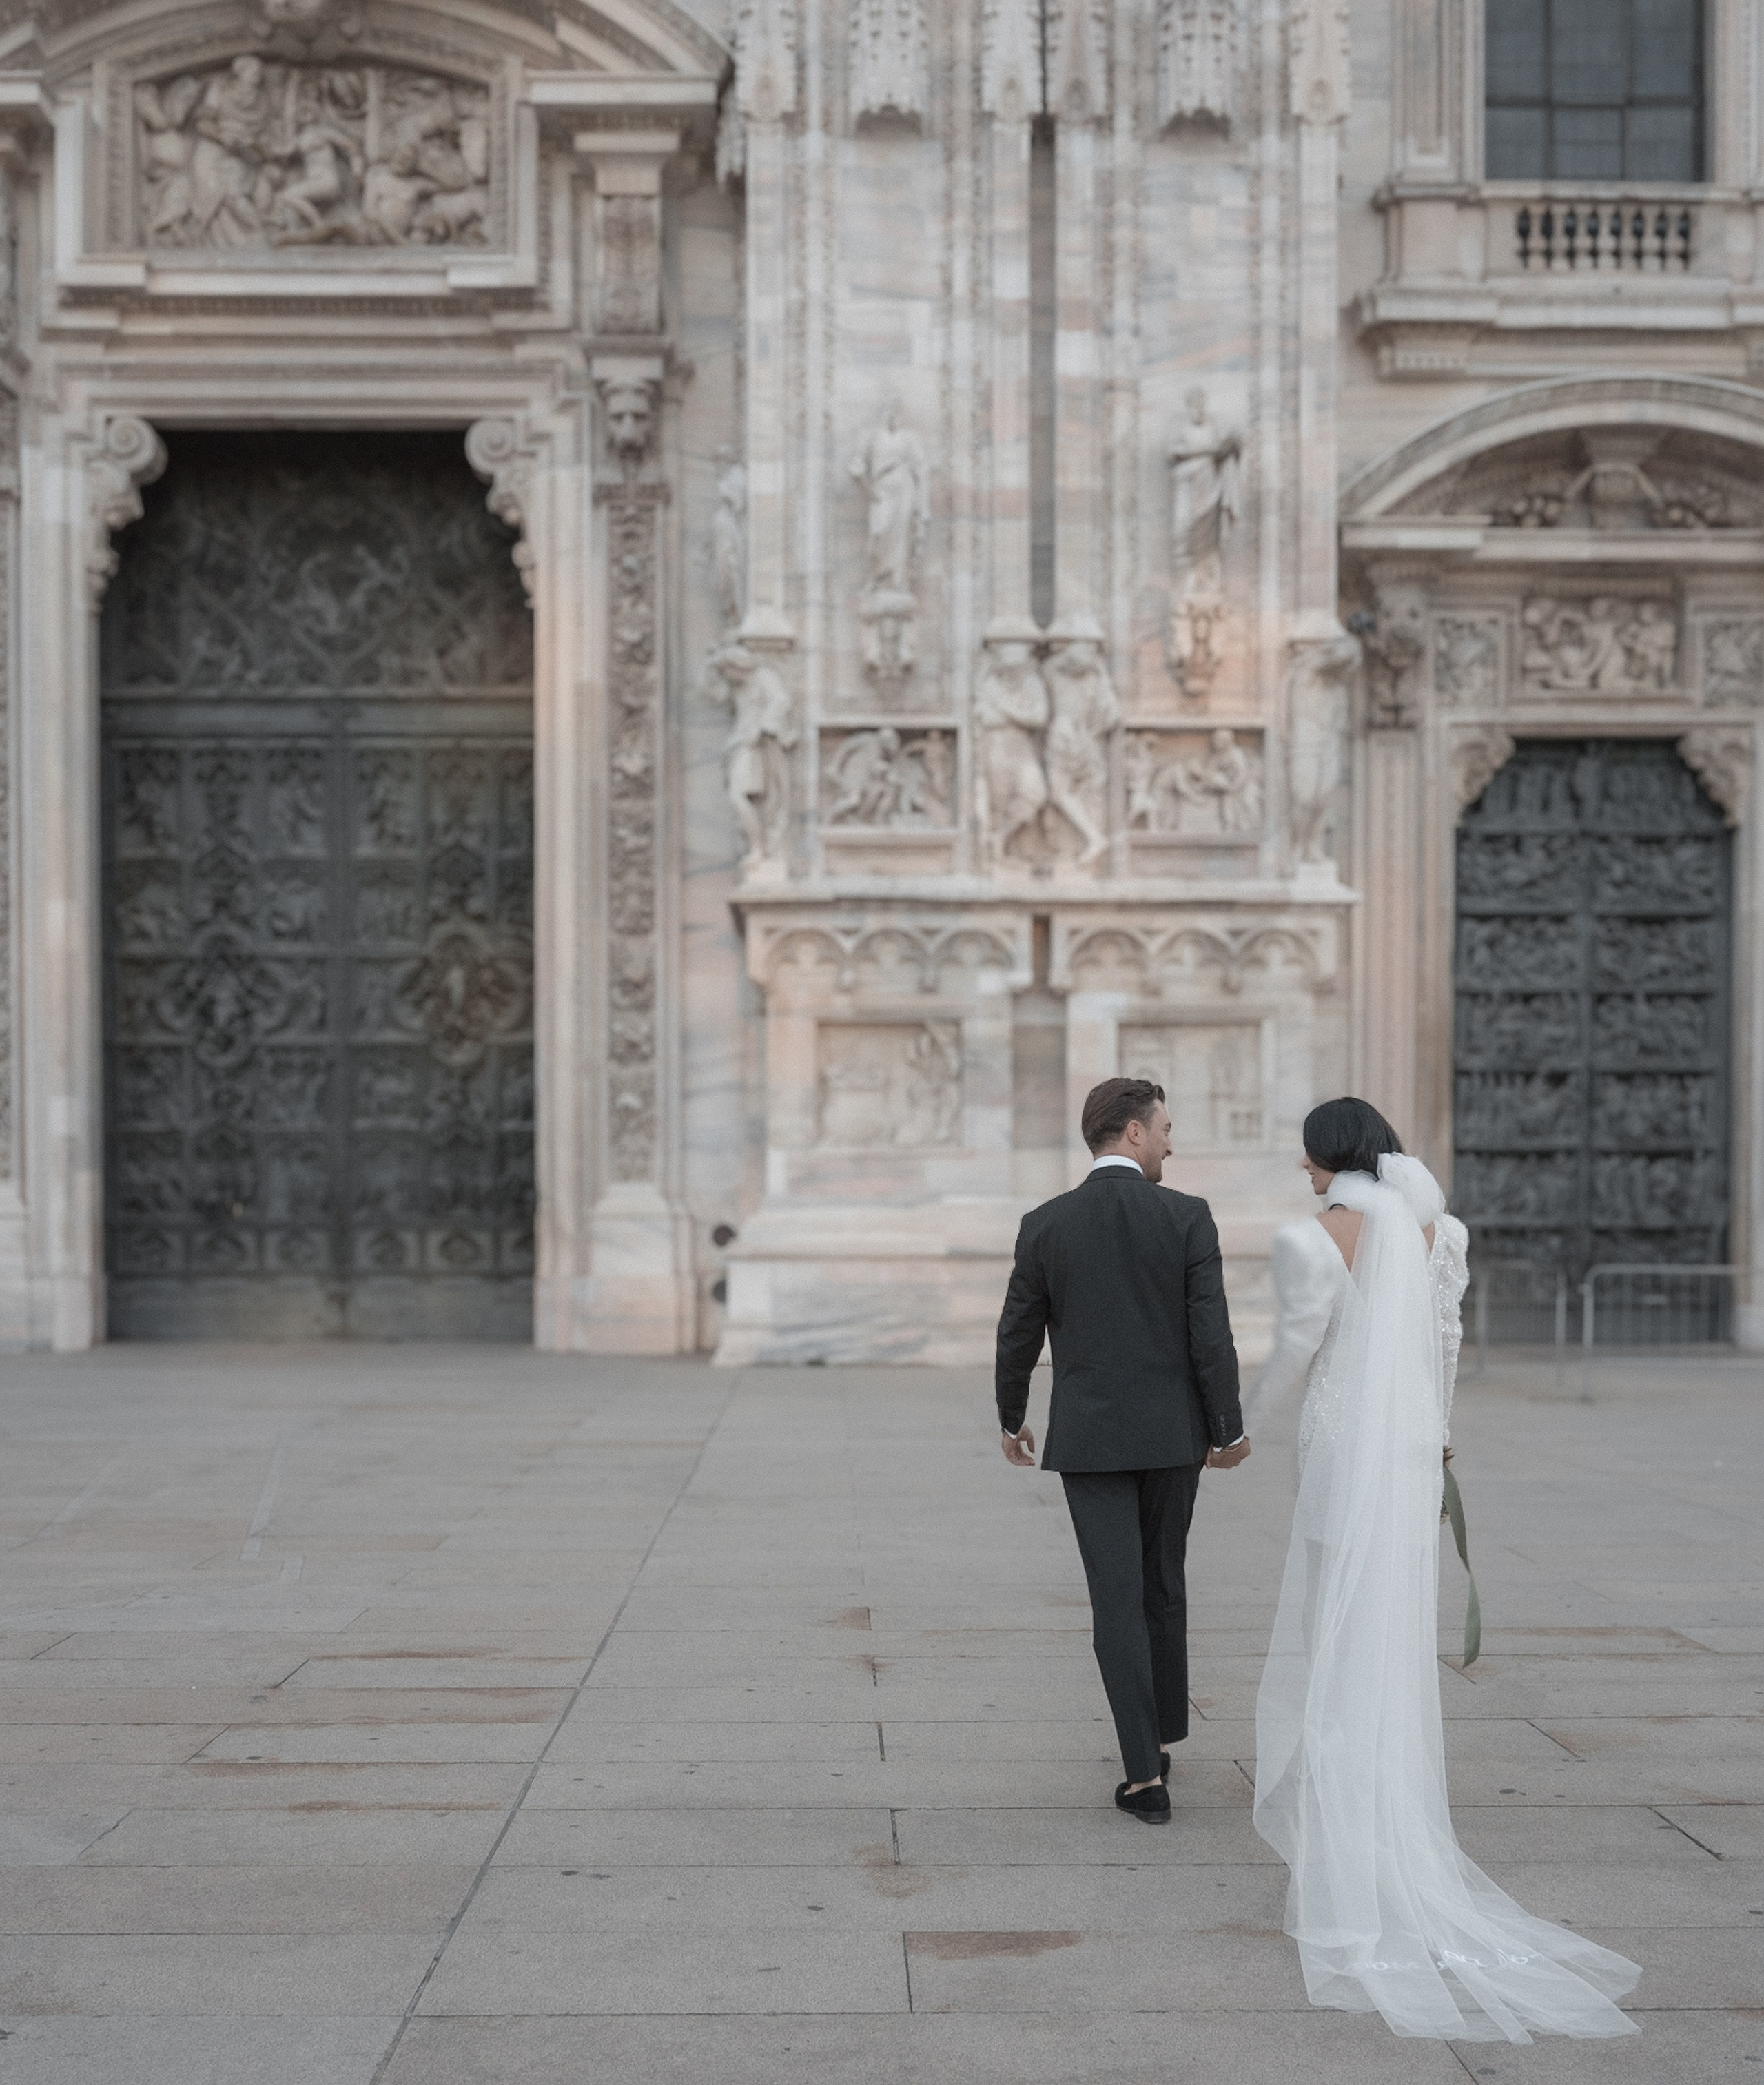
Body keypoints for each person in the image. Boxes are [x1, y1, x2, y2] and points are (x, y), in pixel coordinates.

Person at [1249, 1096, 1641, 2042]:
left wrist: (1236, 1428)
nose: (1300, 1166)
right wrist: (1441, 1442)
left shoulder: (1313, 1237)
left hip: (1341, 1449)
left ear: (1326, 1155)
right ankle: (1389, 1828)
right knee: (1386, 1630)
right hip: (1410, 1447)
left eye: (1306, 1152)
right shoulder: (1441, 1230)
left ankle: (1346, 1849)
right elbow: (1445, 1344)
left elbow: (1294, 1350)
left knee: (1332, 1633)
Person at [995, 1077, 1249, 1824]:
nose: (1172, 1140)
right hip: (1174, 1436)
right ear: (1132, 1132)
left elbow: (1018, 1332)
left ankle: (1144, 1771)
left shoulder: (1046, 1222)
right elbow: (1211, 1334)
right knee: (1161, 1584)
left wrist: (1012, 1415)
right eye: (1165, 1127)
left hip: (1091, 1438)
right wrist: (1226, 1427)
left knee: (1116, 1598)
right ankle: (1159, 1735)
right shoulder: (1186, 1216)